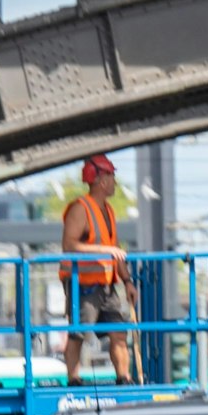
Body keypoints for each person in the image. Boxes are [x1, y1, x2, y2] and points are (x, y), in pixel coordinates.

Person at [60, 154, 138, 386]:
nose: (115, 181)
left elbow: (115, 250)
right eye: (112, 176)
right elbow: (69, 245)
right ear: (101, 180)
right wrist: (104, 250)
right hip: (82, 283)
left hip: (106, 285)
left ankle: (123, 378)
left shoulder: (109, 211)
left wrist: (127, 281)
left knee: (119, 332)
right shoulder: (80, 209)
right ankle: (73, 379)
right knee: (78, 333)